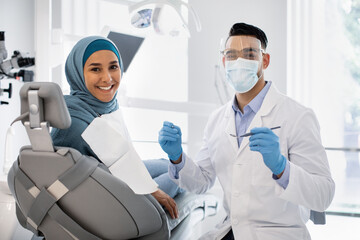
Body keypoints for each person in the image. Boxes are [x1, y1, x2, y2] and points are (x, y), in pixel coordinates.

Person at [158, 23, 335, 239]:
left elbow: (323, 194)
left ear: (265, 60)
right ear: (224, 62)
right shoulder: (217, 120)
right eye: (231, 55)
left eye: (249, 54)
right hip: (231, 230)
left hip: (279, 233)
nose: (239, 61)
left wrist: (281, 168)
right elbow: (202, 181)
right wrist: (177, 158)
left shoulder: (297, 116)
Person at [51, 35, 181, 219]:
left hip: (109, 176)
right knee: (175, 177)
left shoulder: (102, 105)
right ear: (78, 73)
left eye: (113, 67)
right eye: (95, 69)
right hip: (105, 196)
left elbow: (117, 155)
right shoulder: (74, 119)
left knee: (168, 165)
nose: (107, 78)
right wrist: (151, 192)